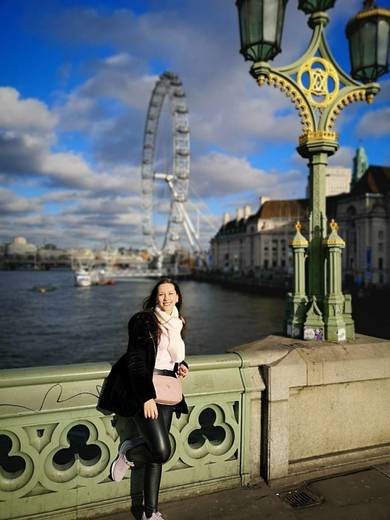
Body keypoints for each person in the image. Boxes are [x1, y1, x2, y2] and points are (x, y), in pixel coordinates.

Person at [98, 278, 189, 520]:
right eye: (161, 294)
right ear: (154, 298)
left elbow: (168, 355)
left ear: (178, 297)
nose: (166, 298)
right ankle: (127, 454)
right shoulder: (143, 321)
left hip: (168, 389)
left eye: (171, 293)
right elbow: (137, 360)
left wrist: (181, 365)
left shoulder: (179, 323)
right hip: (144, 389)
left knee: (156, 456)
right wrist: (146, 397)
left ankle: (151, 513)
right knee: (160, 451)